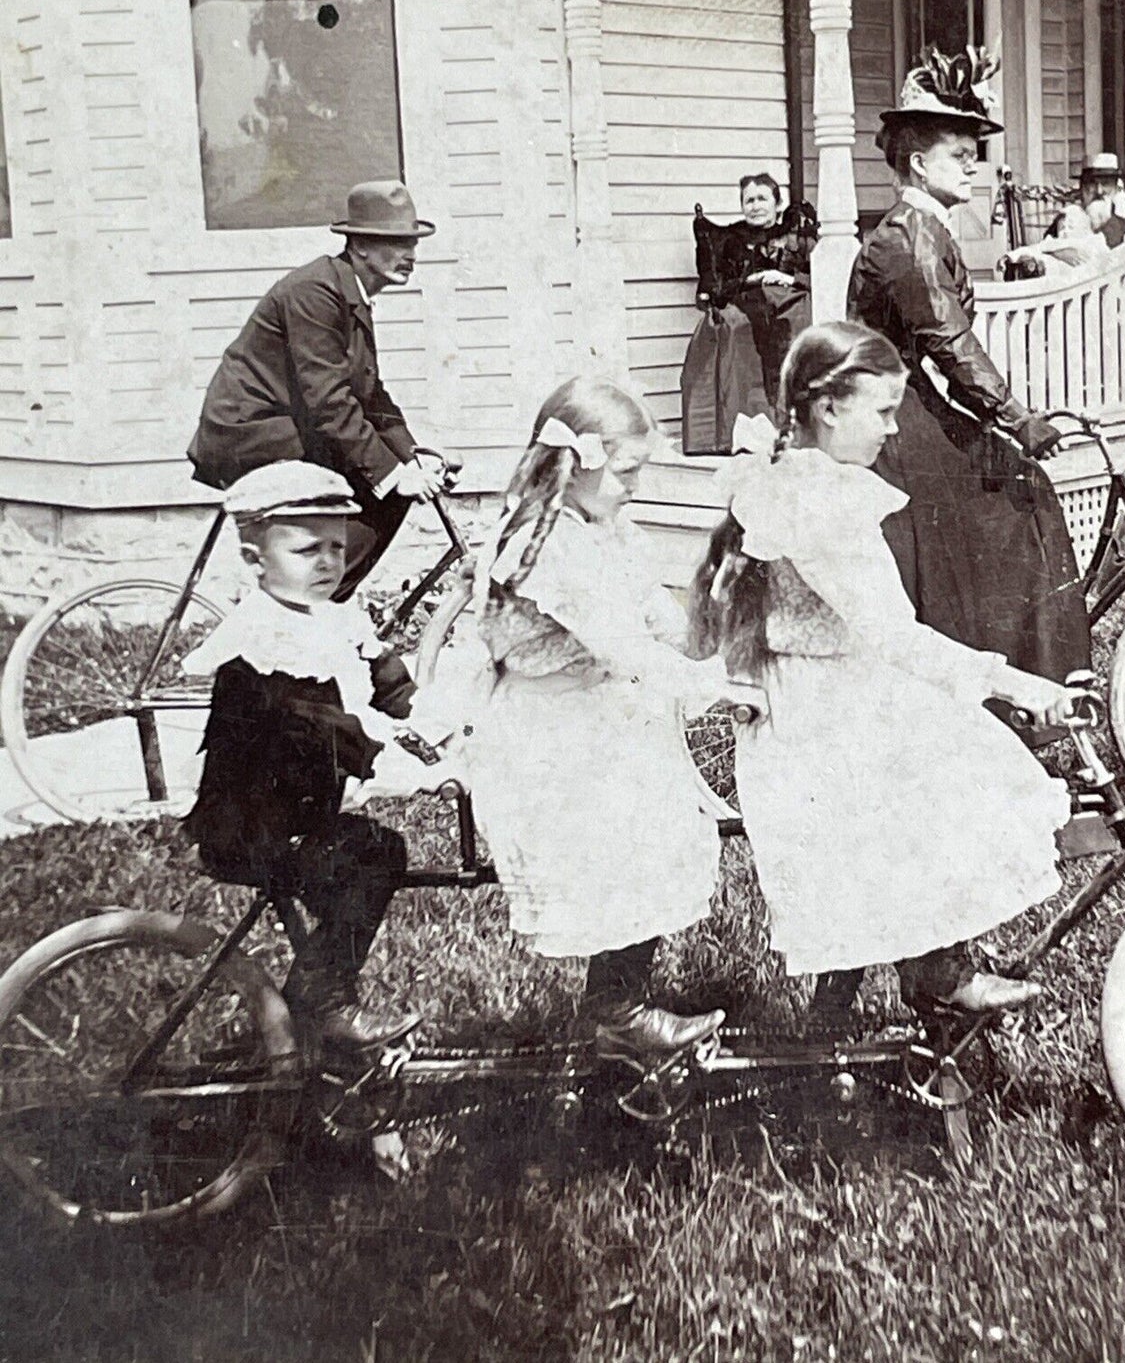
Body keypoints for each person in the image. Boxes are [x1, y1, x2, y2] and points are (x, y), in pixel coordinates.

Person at [691, 322, 1074, 1024]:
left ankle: (917, 978)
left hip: (830, 695)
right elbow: (893, 636)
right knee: (957, 776)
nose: (892, 432)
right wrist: (1013, 681)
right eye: (882, 411)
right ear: (828, 407)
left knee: (947, 762)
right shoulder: (818, 502)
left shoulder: (802, 481)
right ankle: (930, 978)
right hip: (817, 719)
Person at [460, 378, 757, 1058]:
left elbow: (659, 621)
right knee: (632, 823)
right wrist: (709, 684)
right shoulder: (541, 543)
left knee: (657, 811)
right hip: (546, 732)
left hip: (592, 712)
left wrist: (714, 603)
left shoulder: (602, 529)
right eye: (626, 473)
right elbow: (620, 648)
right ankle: (616, 1010)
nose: (634, 487)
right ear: (578, 464)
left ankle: (616, 1003)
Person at [847, 47, 1090, 686]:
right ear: (919, 164)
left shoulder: (922, 229)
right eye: (961, 155)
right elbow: (950, 341)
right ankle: (1007, 687)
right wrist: (1018, 420)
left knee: (1011, 488)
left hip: (905, 399)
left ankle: (1020, 681)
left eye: (973, 155)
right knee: (1011, 493)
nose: (974, 168)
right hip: (883, 415)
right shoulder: (910, 237)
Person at [182, 461, 435, 1050]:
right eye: (306, 550)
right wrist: (388, 760)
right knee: (371, 858)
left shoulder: (332, 617)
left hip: (295, 816)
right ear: (255, 561)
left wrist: (426, 723)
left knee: (364, 855)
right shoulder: (259, 641)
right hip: (250, 825)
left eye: (337, 548)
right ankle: (324, 1005)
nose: (327, 563)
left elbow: (385, 680)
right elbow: (316, 728)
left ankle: (294, 1029)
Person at [187, 180, 450, 602]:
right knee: (371, 488)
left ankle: (320, 606)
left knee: (386, 493)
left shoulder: (350, 293)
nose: (410, 255)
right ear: (360, 246)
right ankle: (309, 612)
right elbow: (330, 402)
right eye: (397, 242)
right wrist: (393, 474)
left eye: (413, 243)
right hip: (250, 434)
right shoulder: (316, 292)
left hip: (288, 429)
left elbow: (369, 394)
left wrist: (412, 455)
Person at [680, 173, 817, 454]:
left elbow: (822, 275)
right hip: (745, 302)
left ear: (777, 204)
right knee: (735, 325)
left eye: (762, 199)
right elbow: (717, 286)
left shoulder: (794, 238)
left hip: (789, 301)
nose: (755, 206)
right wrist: (752, 280)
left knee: (799, 319)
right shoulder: (731, 241)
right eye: (748, 200)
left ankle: (792, 422)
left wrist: (788, 278)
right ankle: (746, 427)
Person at [1003, 151, 1125, 276]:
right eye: (1092, 184)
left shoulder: (1124, 227)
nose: (1099, 191)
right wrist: (1063, 253)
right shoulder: (1067, 218)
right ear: (1082, 188)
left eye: (1106, 184)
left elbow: (1098, 256)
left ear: (1116, 189)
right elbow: (1045, 246)